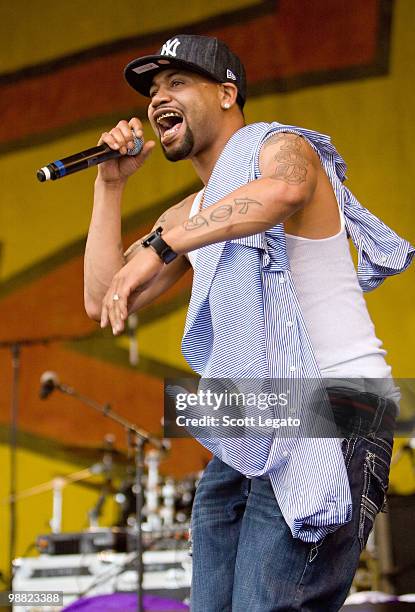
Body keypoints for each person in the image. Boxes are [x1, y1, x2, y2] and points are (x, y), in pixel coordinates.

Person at [84, 35, 414, 611]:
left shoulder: (281, 146)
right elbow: (103, 300)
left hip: (333, 407)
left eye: (178, 82)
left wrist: (168, 243)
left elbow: (281, 191)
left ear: (228, 93)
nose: (159, 98)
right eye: (153, 90)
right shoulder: (187, 215)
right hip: (250, 426)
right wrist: (110, 186)